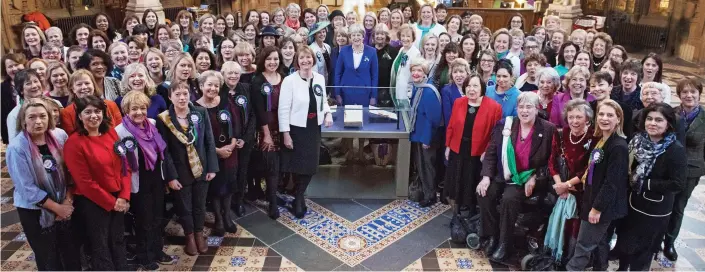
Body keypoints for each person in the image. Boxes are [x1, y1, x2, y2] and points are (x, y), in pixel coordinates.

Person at [477, 91, 556, 261]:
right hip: (503, 174)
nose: (524, 111)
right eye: (521, 107)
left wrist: (535, 177)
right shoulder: (505, 125)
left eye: (529, 107)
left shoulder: (548, 129)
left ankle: (505, 243)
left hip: (526, 178)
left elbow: (551, 163)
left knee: (508, 199)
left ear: (537, 109)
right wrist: (486, 177)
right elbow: (491, 153)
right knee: (484, 193)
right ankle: (492, 236)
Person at [6, 98, 81, 271]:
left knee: (71, 253)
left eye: (42, 116)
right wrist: (57, 208)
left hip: (65, 203)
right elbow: (26, 188)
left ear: (50, 118)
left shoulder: (60, 136)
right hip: (35, 211)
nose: (38, 121)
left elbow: (71, 170)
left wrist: (67, 202)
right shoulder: (17, 147)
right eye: (32, 117)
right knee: (48, 257)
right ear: (23, 120)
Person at [63, 95, 131, 270]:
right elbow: (84, 182)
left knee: (118, 239)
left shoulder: (111, 132)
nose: (94, 116)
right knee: (100, 245)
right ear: (79, 116)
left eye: (97, 111)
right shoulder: (74, 143)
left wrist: (123, 196)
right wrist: (112, 202)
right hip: (93, 201)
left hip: (118, 197)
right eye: (88, 112)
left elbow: (125, 166)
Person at [615, 103, 686, 271]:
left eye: (658, 120)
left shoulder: (675, 150)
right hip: (630, 204)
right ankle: (622, 267)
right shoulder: (637, 140)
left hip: (654, 210)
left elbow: (678, 183)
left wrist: (645, 183)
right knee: (625, 243)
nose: (652, 123)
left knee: (643, 252)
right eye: (649, 119)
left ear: (668, 124)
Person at [113, 91, 174, 269]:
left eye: (142, 108)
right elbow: (120, 164)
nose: (139, 112)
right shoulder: (119, 132)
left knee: (157, 218)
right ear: (126, 110)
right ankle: (145, 256)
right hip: (137, 183)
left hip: (156, 178)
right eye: (134, 109)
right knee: (143, 221)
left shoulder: (153, 124)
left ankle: (157, 249)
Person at [565, 99, 629, 271]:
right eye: (601, 114)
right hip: (592, 198)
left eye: (610, 115)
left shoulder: (618, 146)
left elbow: (612, 183)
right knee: (598, 241)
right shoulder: (602, 139)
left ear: (618, 119)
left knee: (584, 245)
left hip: (602, 205)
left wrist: (597, 208)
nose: (604, 118)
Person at [156, 82, 218, 255]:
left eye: (185, 93)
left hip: (201, 168)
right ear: (170, 97)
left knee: (200, 205)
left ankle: (199, 234)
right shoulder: (164, 119)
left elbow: (209, 141)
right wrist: (171, 177)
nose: (182, 97)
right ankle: (189, 236)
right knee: (185, 207)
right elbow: (165, 151)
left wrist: (212, 167)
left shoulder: (200, 112)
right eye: (177, 94)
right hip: (180, 171)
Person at [278, 46, 334, 218]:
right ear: (297, 61)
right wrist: (285, 133)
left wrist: (328, 113)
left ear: (313, 59)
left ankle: (298, 193)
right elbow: (283, 109)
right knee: (297, 165)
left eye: (308, 57)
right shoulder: (290, 80)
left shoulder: (318, 78)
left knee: (311, 165)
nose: (305, 61)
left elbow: (323, 99)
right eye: (302, 58)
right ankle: (299, 197)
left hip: (313, 127)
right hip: (296, 128)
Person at [444, 73, 502, 214]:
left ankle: (470, 211)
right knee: (456, 180)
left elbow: (496, 135)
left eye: (475, 85)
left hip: (478, 152)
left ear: (482, 87)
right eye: (468, 86)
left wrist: (487, 151)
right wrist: (448, 146)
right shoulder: (459, 102)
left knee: (470, 181)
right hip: (458, 148)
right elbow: (451, 125)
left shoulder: (494, 107)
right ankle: (457, 211)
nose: (471, 89)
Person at [194, 71, 241, 236]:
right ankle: (218, 219)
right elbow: (196, 137)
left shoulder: (226, 102)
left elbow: (236, 125)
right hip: (210, 154)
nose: (213, 88)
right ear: (201, 86)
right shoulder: (195, 107)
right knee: (215, 189)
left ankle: (227, 216)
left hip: (230, 151)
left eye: (216, 85)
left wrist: (232, 145)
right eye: (209, 85)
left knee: (228, 187)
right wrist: (216, 151)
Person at [547, 99, 594, 261]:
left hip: (580, 191)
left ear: (587, 119)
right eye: (571, 117)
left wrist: (567, 185)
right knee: (560, 224)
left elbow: (588, 168)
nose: (574, 121)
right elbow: (552, 161)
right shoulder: (561, 133)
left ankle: (570, 261)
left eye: (579, 117)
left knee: (575, 228)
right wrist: (559, 185)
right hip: (560, 189)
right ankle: (556, 258)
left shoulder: (593, 137)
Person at [665, 79, 705, 261]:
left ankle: (669, 242)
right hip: (668, 167)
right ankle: (655, 238)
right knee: (664, 203)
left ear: (699, 94)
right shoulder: (671, 114)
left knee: (678, 207)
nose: (689, 95)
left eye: (693, 92)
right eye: (685, 92)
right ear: (678, 95)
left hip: (691, 169)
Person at [248, 47, 285, 218]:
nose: (273, 62)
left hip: (282, 125)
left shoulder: (283, 78)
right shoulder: (257, 80)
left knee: (278, 165)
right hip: (266, 128)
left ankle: (273, 194)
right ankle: (272, 203)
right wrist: (267, 134)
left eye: (276, 59)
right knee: (270, 166)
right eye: (269, 59)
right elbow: (259, 109)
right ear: (264, 60)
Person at [407, 56, 442, 207]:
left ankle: (430, 195)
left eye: (419, 70)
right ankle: (424, 191)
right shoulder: (418, 87)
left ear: (425, 73)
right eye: (413, 70)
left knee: (427, 167)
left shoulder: (428, 91)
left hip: (426, 138)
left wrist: (426, 140)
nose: (415, 73)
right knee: (421, 166)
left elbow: (433, 119)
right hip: (418, 134)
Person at [59, 70, 122, 135]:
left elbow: (119, 131)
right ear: (73, 89)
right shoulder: (66, 113)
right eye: (79, 84)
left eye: (87, 83)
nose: (84, 87)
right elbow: (71, 136)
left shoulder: (111, 105)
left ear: (93, 85)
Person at [335, 23, 379, 106]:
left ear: (363, 36)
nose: (356, 38)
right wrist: (337, 94)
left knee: (364, 118)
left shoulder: (372, 52)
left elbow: (374, 76)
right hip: (346, 94)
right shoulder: (344, 51)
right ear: (350, 37)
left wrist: (373, 96)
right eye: (353, 35)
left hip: (365, 94)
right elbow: (338, 74)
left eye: (358, 35)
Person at [391, 24, 421, 102]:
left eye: (408, 36)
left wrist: (409, 95)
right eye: (403, 36)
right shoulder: (401, 50)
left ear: (413, 38)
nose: (405, 39)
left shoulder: (415, 53)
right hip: (398, 91)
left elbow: (415, 76)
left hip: (407, 95)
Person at [2, 53, 27, 144]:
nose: (14, 69)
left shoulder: (33, 83)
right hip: (13, 130)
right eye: (10, 66)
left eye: (16, 64)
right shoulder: (2, 88)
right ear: (5, 70)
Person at [373, 24, 399, 107]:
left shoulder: (393, 51)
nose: (379, 36)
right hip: (371, 89)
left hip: (387, 91)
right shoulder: (369, 50)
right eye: (377, 34)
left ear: (386, 36)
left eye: (382, 34)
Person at [441, 58, 471, 127]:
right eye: (455, 72)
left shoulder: (472, 88)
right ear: (451, 75)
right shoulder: (446, 91)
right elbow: (448, 118)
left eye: (461, 71)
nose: (458, 75)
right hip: (455, 130)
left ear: (467, 73)